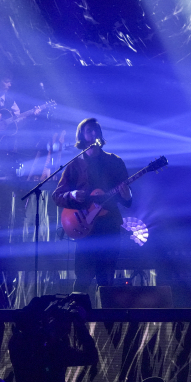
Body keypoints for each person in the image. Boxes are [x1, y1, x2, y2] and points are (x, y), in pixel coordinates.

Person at [52, 118, 131, 300]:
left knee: (106, 279)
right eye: (89, 131)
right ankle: (75, 320)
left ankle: (108, 326)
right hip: (84, 227)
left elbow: (127, 200)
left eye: (96, 130)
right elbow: (57, 195)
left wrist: (127, 195)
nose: (93, 134)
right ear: (82, 136)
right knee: (83, 278)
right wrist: (71, 194)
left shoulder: (115, 162)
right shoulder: (74, 164)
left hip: (109, 226)